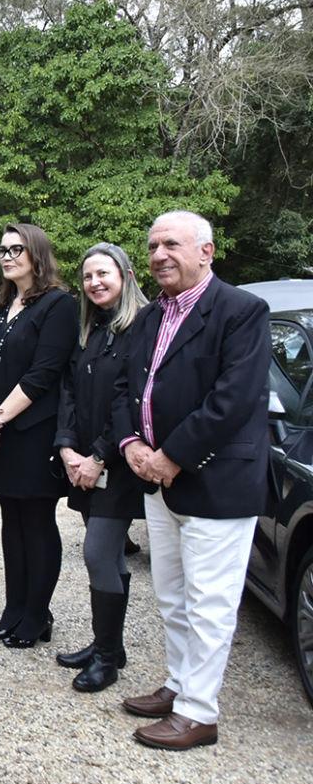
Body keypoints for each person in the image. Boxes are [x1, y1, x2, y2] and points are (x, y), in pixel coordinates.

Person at [114, 211, 269, 751]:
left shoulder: (242, 311)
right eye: (153, 245)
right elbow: (125, 390)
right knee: (173, 596)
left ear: (207, 251)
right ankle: (180, 686)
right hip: (159, 481)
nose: (159, 254)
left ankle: (199, 712)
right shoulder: (150, 318)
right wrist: (132, 444)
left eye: (172, 244)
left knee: (209, 603)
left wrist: (171, 456)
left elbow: (233, 400)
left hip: (214, 483)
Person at [0, 224, 78, 647]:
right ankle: (13, 608)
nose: (7, 255)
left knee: (36, 522)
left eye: (17, 248)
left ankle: (37, 615)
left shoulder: (58, 305)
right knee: (9, 522)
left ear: (37, 254)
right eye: (2, 249)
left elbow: (44, 372)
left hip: (33, 432)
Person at [54, 243, 149, 692]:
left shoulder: (142, 329)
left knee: (97, 553)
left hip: (118, 464)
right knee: (110, 558)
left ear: (126, 276)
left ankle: (107, 659)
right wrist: (68, 448)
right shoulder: (91, 331)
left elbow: (128, 404)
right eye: (88, 276)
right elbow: (70, 392)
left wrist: (97, 456)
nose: (95, 282)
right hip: (85, 461)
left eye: (103, 274)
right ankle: (108, 643)